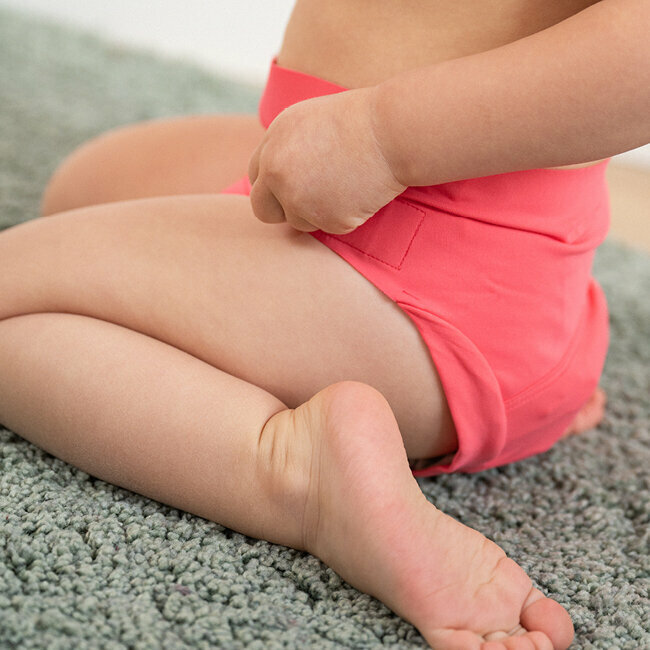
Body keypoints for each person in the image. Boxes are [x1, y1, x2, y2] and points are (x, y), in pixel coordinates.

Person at [0, 1, 647, 647]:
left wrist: (382, 137)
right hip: (489, 253)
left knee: (13, 298)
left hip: (424, 281)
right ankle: (539, 359)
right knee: (81, 189)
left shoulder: (391, 151)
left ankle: (297, 470)